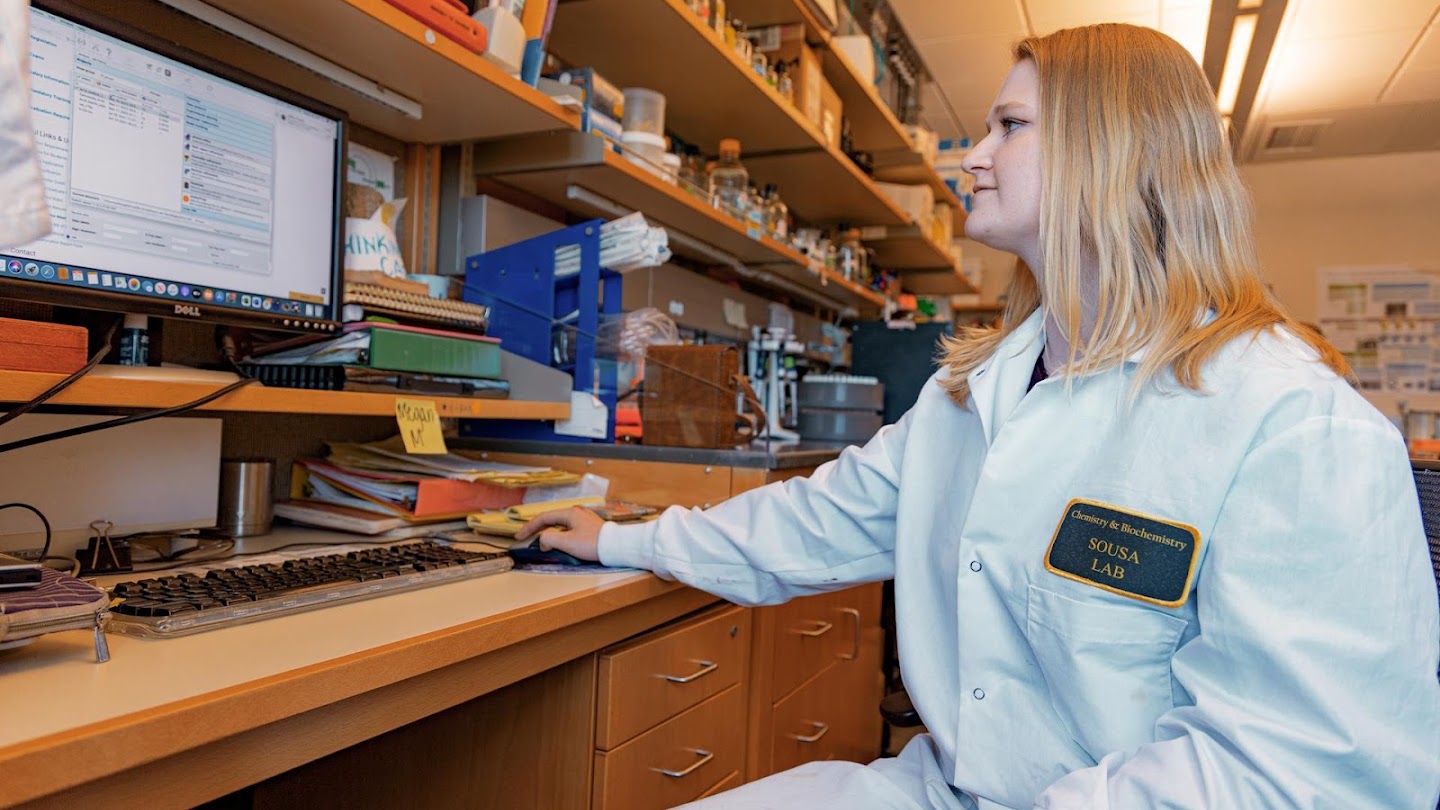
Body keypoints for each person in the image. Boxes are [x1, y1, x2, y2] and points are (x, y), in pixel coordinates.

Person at [518, 23, 1440, 810]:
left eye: (1009, 126)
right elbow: (814, 521)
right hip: (943, 787)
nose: (973, 157)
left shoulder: (1291, 423)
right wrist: (621, 542)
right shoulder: (975, 394)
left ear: (1108, 145)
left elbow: (1311, 771)